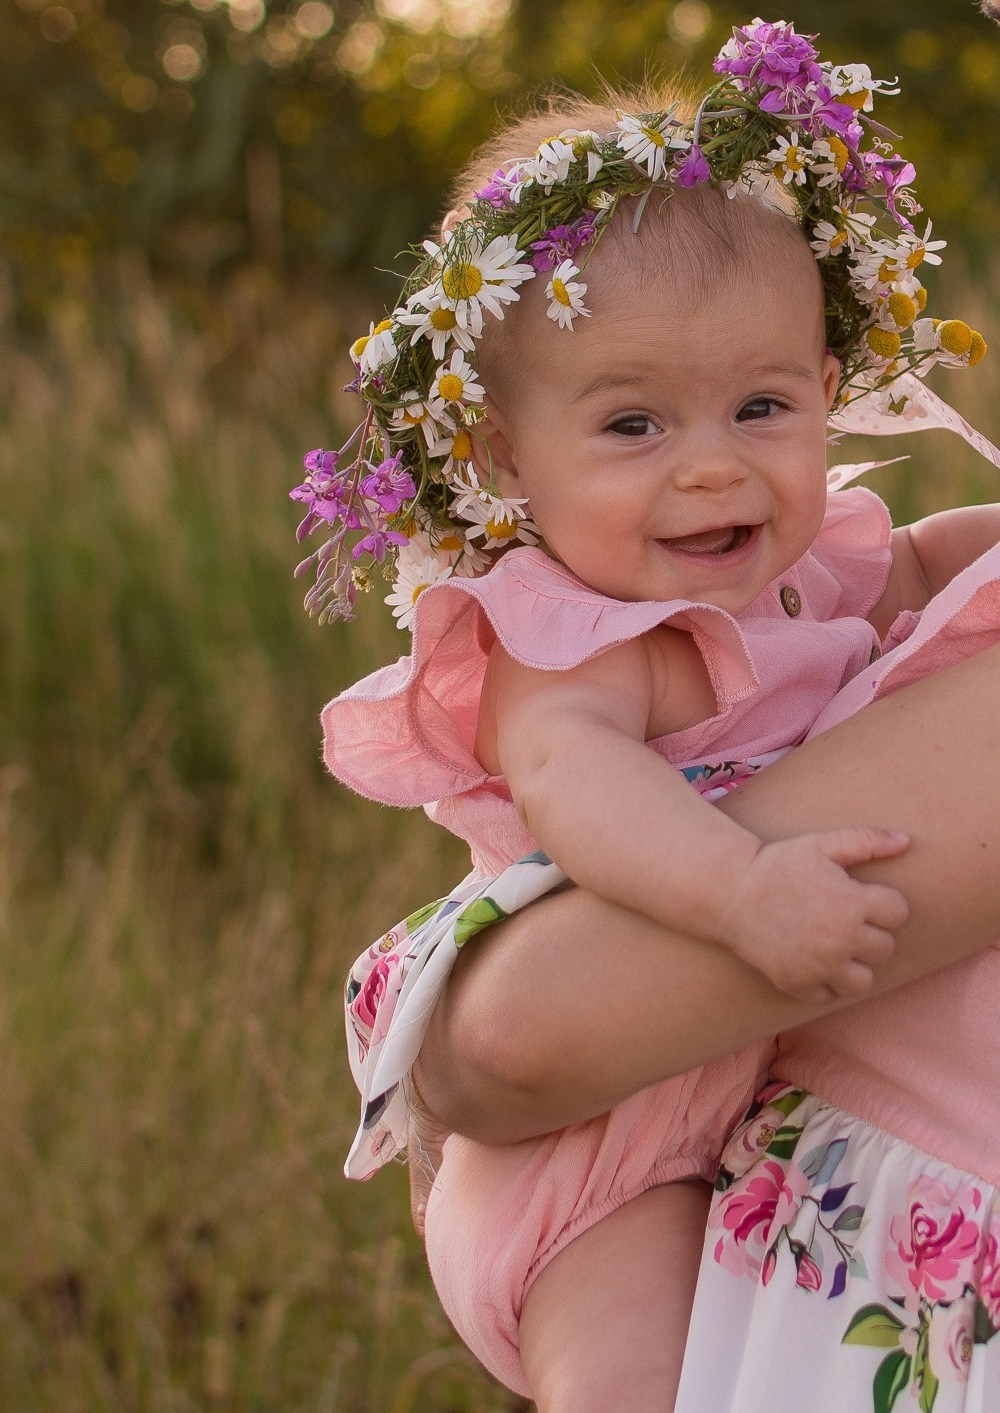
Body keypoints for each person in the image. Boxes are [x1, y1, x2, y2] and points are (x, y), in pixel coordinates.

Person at [290, 20, 999, 1412]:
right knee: (627, 1381)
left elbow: (922, 563)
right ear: (504, 453)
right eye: (634, 426)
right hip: (596, 1145)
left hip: (719, 1091)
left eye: (762, 404)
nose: (712, 469)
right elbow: (574, 781)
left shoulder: (807, 562)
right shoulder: (566, 632)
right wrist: (740, 892)